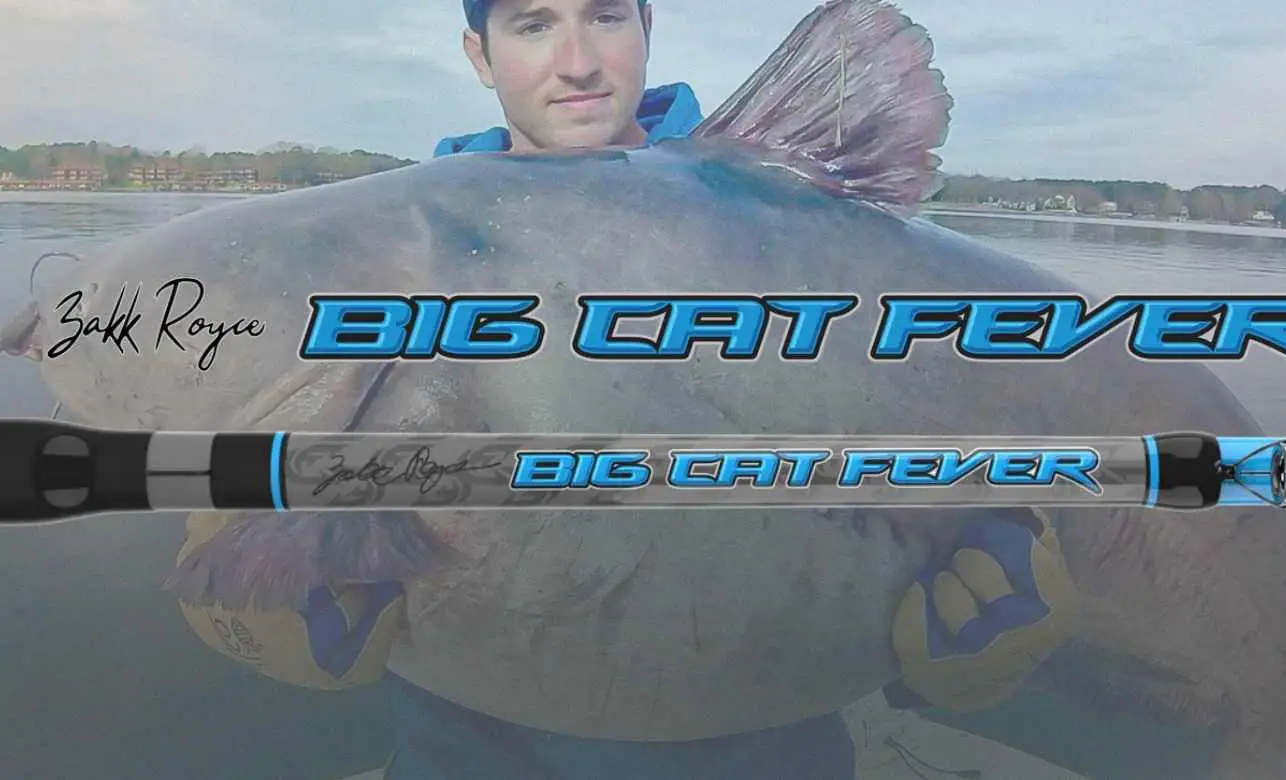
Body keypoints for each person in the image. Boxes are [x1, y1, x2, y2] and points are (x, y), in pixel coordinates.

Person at [174, 2, 1080, 778]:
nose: (577, 61)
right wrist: (246, 587)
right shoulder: (369, 263)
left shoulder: (789, 217)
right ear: (480, 55)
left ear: (648, 29)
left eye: (607, 15)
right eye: (533, 23)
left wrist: (978, 616)